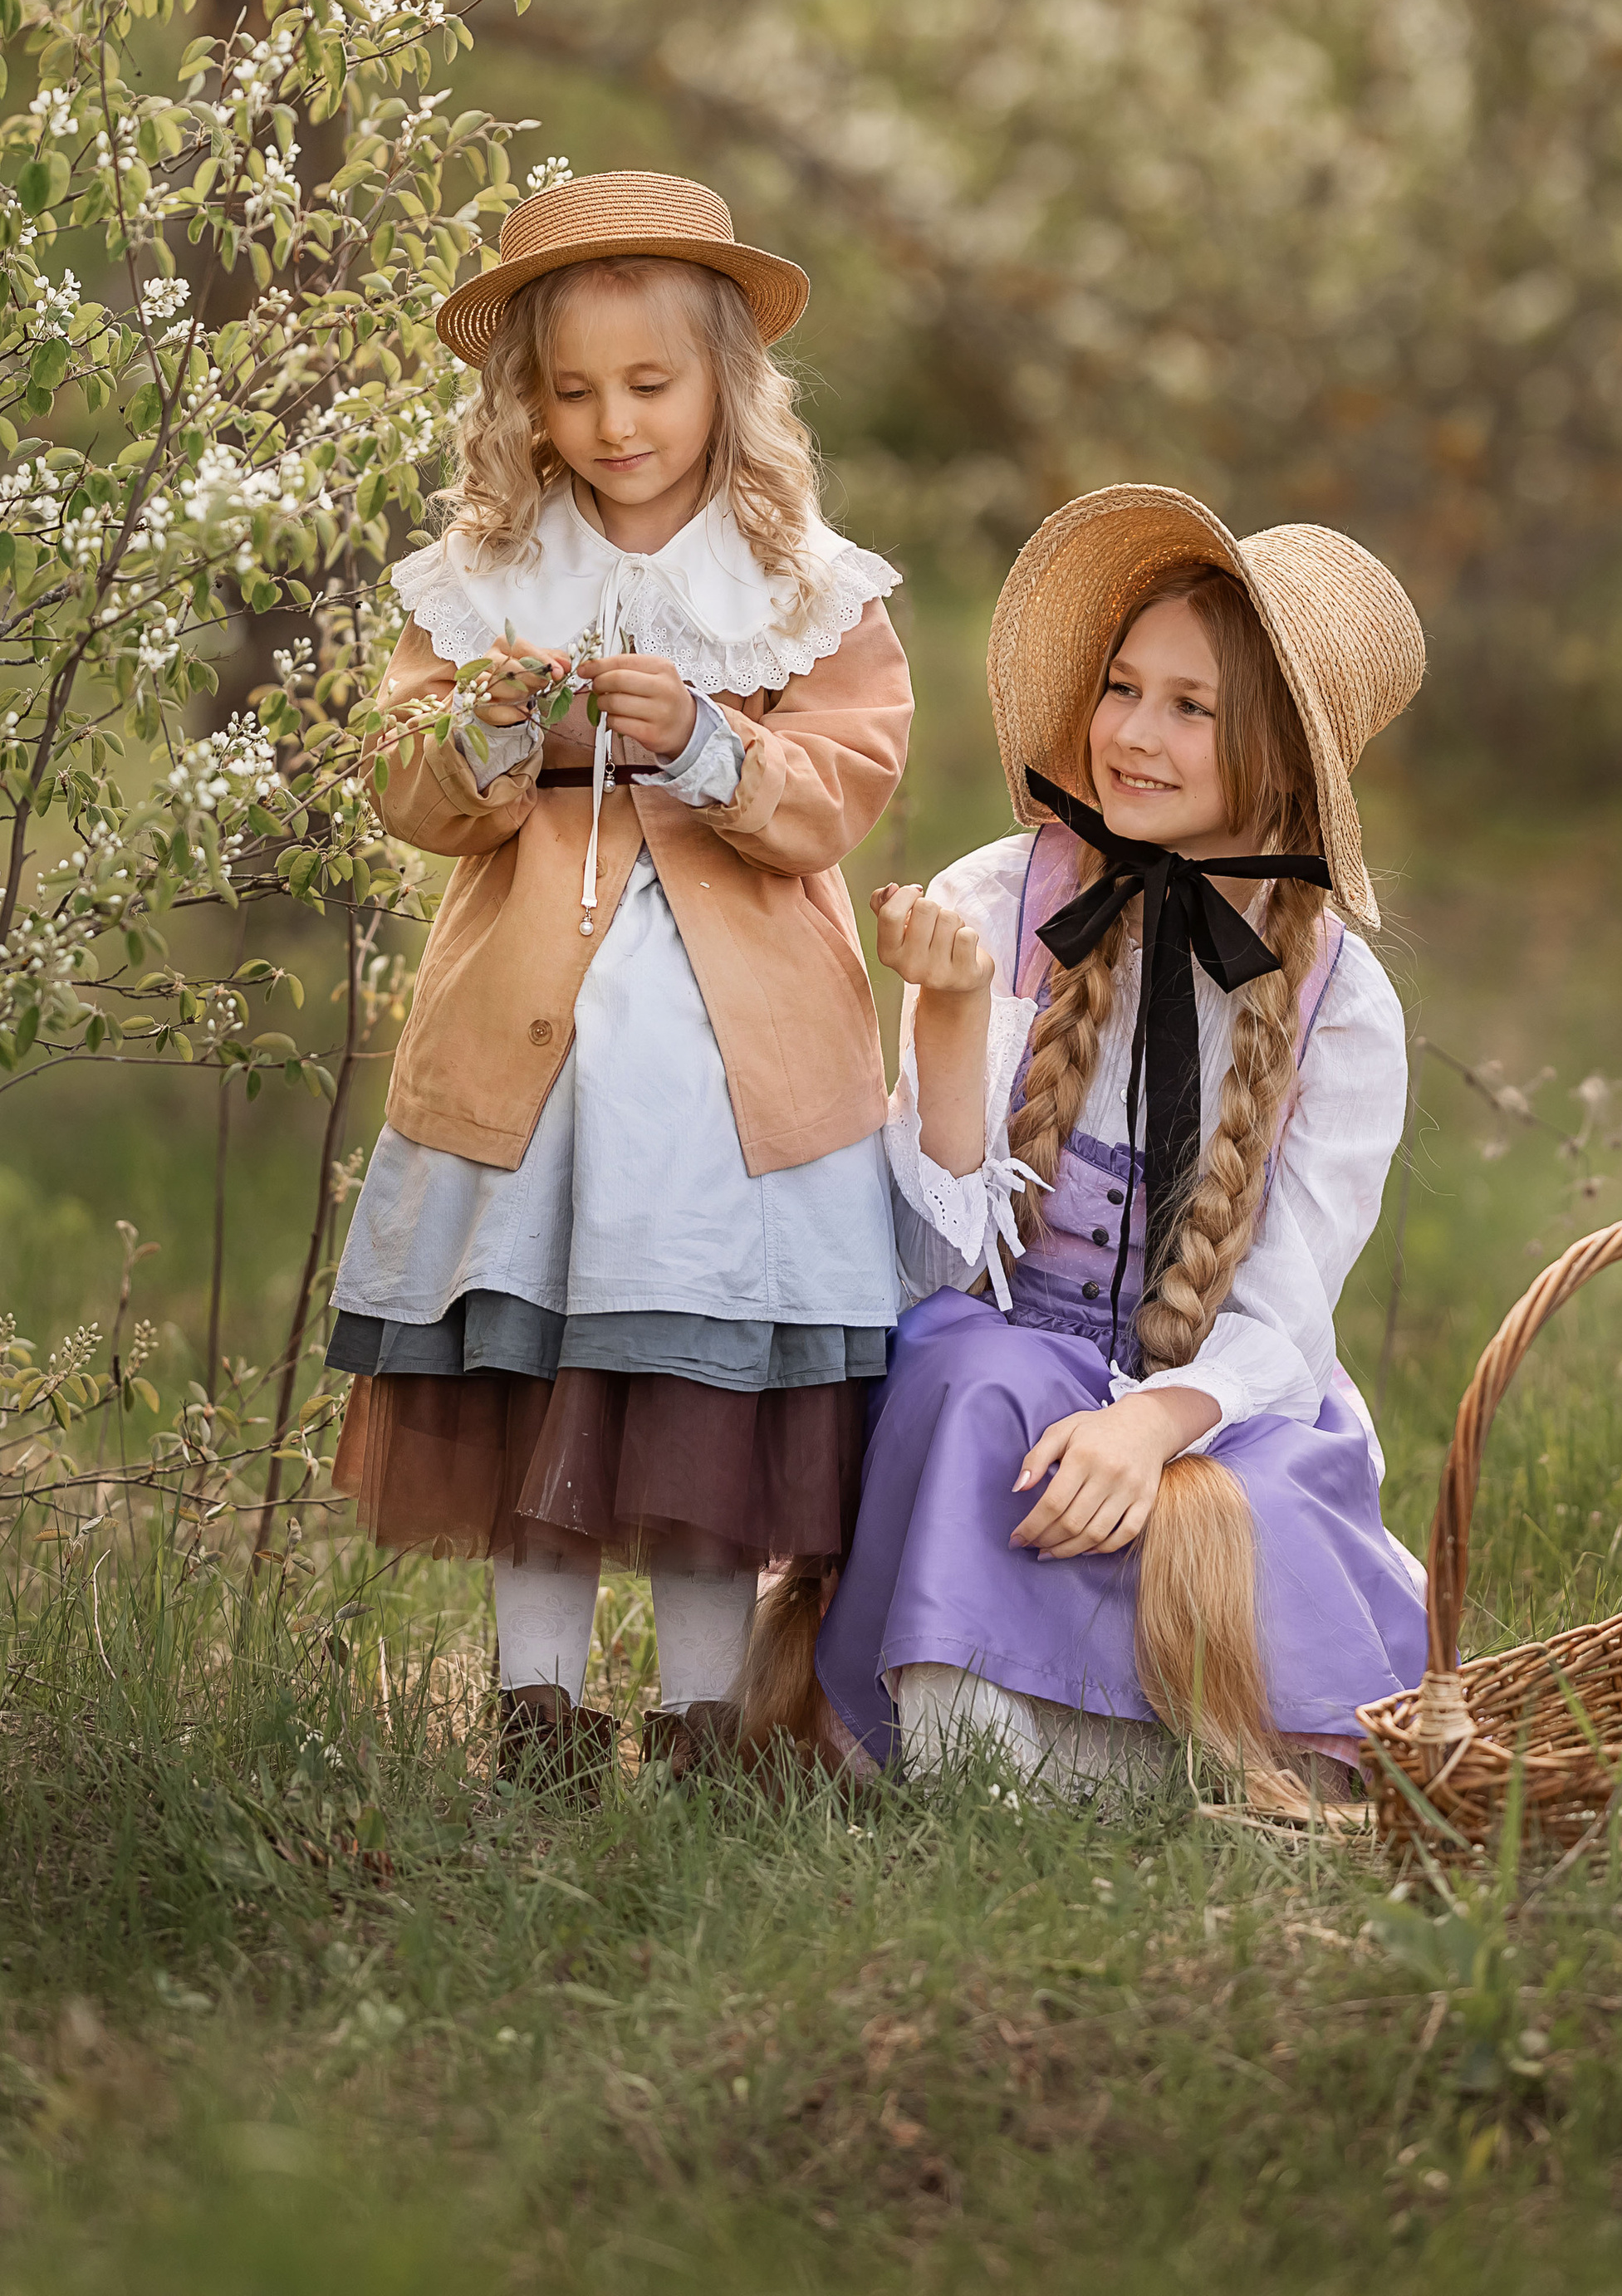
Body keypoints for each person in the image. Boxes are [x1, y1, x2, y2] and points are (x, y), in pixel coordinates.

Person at [327, 168, 912, 1788]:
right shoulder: (476, 581)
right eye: (572, 390)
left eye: (650, 384)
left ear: (725, 380)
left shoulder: (805, 587)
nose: (614, 421)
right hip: (536, 1063)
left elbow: (839, 787)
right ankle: (536, 1717)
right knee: (535, 1371)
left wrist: (713, 742)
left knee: (701, 1386)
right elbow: (409, 791)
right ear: (526, 399)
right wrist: (501, 725)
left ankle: (712, 1718)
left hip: (738, 1076)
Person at [802, 483, 1428, 1806]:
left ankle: (1118, 1761)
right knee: (970, 1384)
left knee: (1258, 1497)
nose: (1134, 737)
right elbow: (928, 1263)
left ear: (1275, 755)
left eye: (1191, 707)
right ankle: (988, 1738)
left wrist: (1152, 1425)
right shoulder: (1002, 899)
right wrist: (956, 1018)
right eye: (1123, 688)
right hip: (1012, 1354)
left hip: (1216, 1394)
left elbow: (1289, 1310)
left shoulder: (1343, 1004)